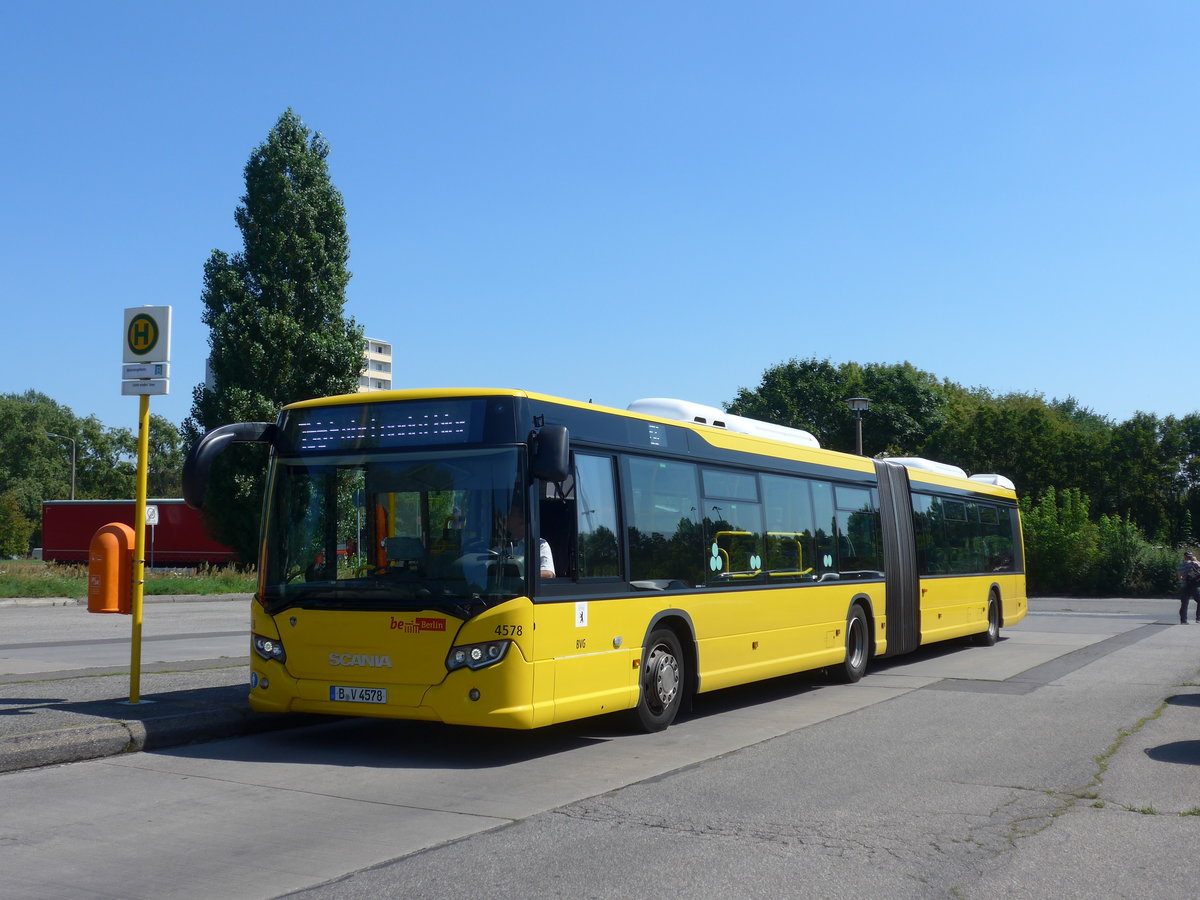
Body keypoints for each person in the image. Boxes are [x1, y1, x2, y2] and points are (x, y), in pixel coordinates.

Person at [499, 504, 555, 579]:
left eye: (511, 515)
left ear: (522, 519)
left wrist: (521, 575)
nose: (506, 518)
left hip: (525, 589)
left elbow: (548, 574)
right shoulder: (503, 544)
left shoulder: (539, 545)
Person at [1177, 551, 1200, 624]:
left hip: (1185, 585)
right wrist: (1195, 560)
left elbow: (1179, 574)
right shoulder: (1194, 563)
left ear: (1184, 557)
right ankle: (1198, 618)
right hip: (1194, 584)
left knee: (1184, 603)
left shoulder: (1181, 565)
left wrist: (1181, 581)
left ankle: (1183, 620)